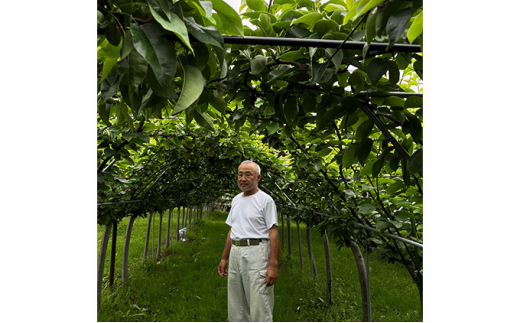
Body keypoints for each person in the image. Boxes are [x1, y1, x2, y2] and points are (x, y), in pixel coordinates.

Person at [218, 160, 279, 322]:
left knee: (259, 302)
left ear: (258, 178)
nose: (243, 178)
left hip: (257, 252)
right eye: (240, 174)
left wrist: (273, 265)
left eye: (248, 174)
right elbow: (232, 230)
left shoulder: (265, 200)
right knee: (236, 302)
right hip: (236, 253)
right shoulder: (236, 200)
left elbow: (273, 232)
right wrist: (225, 258)